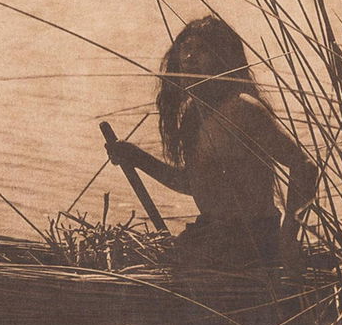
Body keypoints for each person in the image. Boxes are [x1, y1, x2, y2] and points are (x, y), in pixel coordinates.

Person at [105, 15, 317, 269]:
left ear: (223, 59)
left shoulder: (242, 108)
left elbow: (304, 165)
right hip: (213, 235)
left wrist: (288, 237)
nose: (189, 58)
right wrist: (136, 157)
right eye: (186, 48)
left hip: (250, 241)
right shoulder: (196, 114)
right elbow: (191, 183)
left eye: (203, 50)